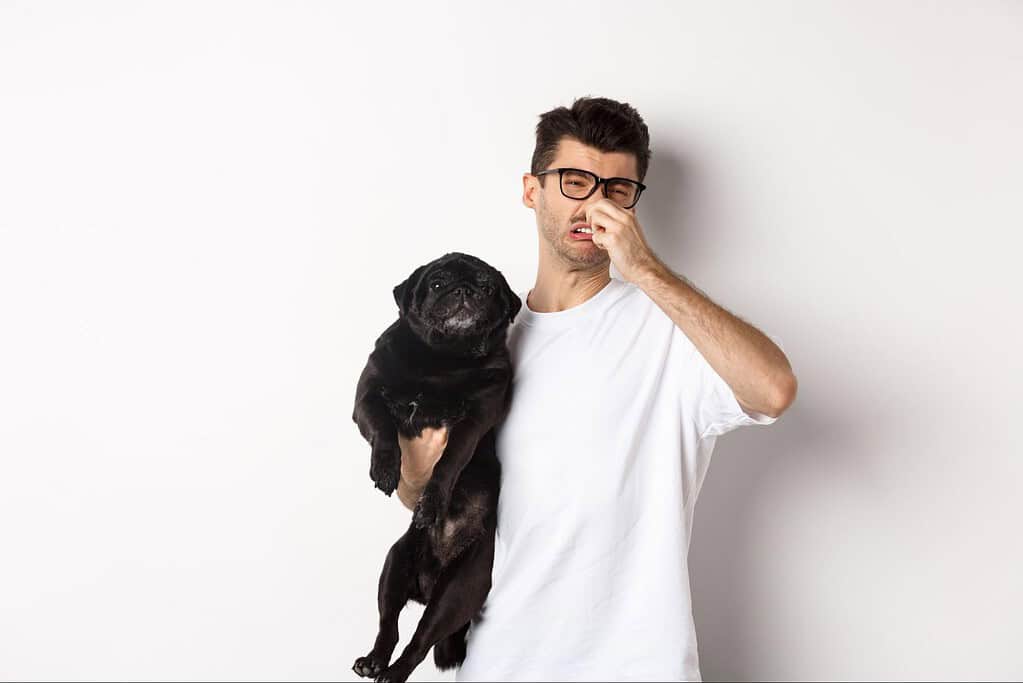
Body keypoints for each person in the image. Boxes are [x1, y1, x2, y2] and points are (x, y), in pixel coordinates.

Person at [395, 96, 798, 682]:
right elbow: (432, 500)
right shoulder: (483, 343)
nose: (595, 203)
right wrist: (412, 473)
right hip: (498, 664)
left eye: (616, 188)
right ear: (532, 190)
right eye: (576, 181)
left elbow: (774, 390)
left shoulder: (668, 328)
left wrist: (647, 271)